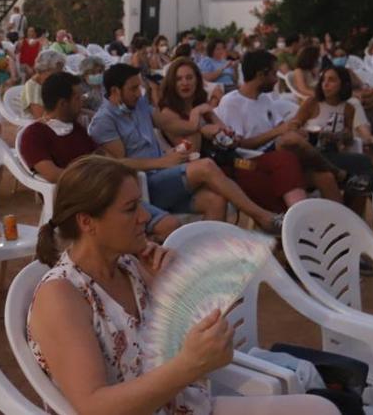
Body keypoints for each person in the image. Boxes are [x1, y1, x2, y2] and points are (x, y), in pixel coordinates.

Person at [27, 156, 337, 415]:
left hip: (182, 406)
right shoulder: (61, 296)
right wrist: (188, 366)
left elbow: (214, 345)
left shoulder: (129, 267)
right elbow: (94, 406)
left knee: (322, 410)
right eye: (130, 208)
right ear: (87, 222)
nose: (145, 217)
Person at [91, 63, 283, 233]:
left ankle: (208, 260)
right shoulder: (104, 121)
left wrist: (198, 119)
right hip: (143, 185)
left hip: (165, 175)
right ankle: (262, 216)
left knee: (216, 200)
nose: (139, 93)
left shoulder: (138, 104)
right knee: (206, 165)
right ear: (115, 91)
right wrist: (162, 161)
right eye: (133, 88)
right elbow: (118, 163)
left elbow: (169, 124)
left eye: (139, 87)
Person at [19, 72, 178, 240]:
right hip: (84, 206)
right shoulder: (34, 134)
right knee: (166, 227)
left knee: (169, 225)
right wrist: (94, 177)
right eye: (78, 98)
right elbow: (53, 174)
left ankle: (136, 251)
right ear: (63, 104)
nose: (82, 102)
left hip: (109, 196)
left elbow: (105, 159)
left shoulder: (76, 129)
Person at [215, 51, 344, 205]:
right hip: (251, 160)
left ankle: (340, 223)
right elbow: (239, 145)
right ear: (261, 75)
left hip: (277, 151)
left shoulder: (264, 98)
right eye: (274, 74)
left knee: (325, 177)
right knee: (289, 140)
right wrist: (278, 132)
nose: (276, 80)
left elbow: (281, 126)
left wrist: (297, 131)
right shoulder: (232, 102)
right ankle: (339, 172)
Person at [291, 65, 373, 199]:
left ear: (343, 84)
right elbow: (293, 126)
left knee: (362, 173)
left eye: (331, 80)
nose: (325, 84)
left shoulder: (348, 108)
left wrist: (342, 136)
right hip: (311, 154)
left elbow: (349, 138)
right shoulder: (312, 103)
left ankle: (365, 204)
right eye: (323, 80)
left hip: (332, 154)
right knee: (363, 164)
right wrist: (306, 132)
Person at [21, 49, 66, 119]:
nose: (60, 74)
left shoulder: (50, 82)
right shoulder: (32, 86)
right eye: (58, 70)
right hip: (40, 125)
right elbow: (40, 116)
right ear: (46, 69)